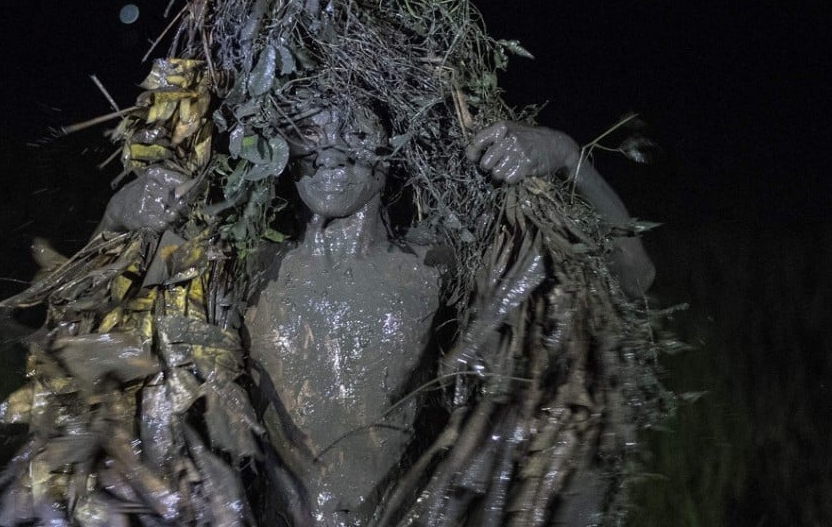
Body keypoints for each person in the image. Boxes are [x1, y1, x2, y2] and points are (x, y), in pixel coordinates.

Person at [96, 98, 654, 526]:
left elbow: (632, 275)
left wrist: (562, 154)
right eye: (312, 127)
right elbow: (98, 308)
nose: (331, 146)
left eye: (355, 125)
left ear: (394, 139)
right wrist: (118, 218)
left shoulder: (435, 264)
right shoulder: (244, 266)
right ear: (283, 146)